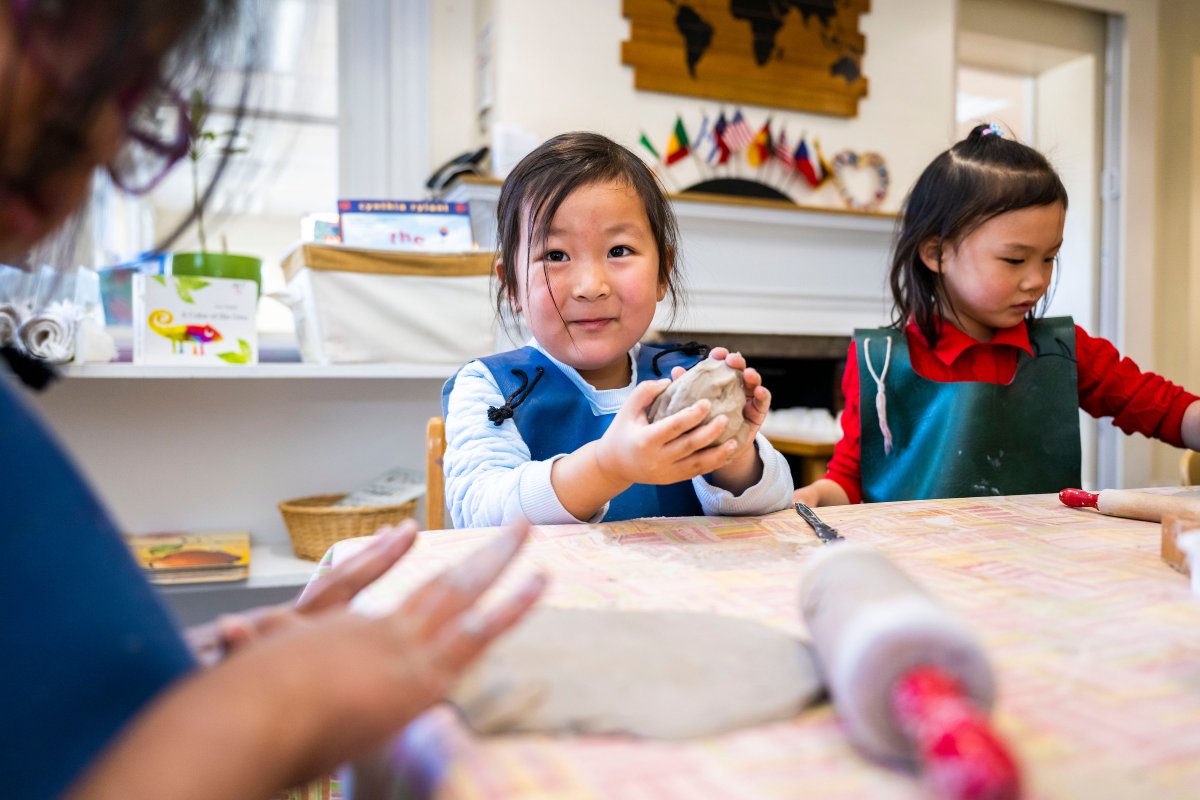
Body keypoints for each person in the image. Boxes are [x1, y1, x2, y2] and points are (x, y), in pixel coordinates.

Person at [0, 3, 543, 798]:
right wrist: (275, 703)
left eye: (129, 98)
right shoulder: (487, 385)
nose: (103, 141)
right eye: (61, 32)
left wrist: (201, 669)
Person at [794, 123, 1200, 508]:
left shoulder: (1065, 350)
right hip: (917, 570)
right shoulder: (879, 360)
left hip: (1037, 566)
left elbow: (1170, 411)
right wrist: (812, 496)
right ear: (936, 253)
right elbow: (849, 479)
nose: (1036, 279)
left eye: (1049, 258)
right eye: (1015, 259)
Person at [443, 132, 793, 528]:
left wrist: (732, 451)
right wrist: (608, 466)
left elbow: (773, 504)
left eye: (619, 251)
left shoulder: (684, 376)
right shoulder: (490, 387)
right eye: (555, 255)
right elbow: (482, 514)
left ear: (663, 271)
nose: (591, 286)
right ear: (512, 287)